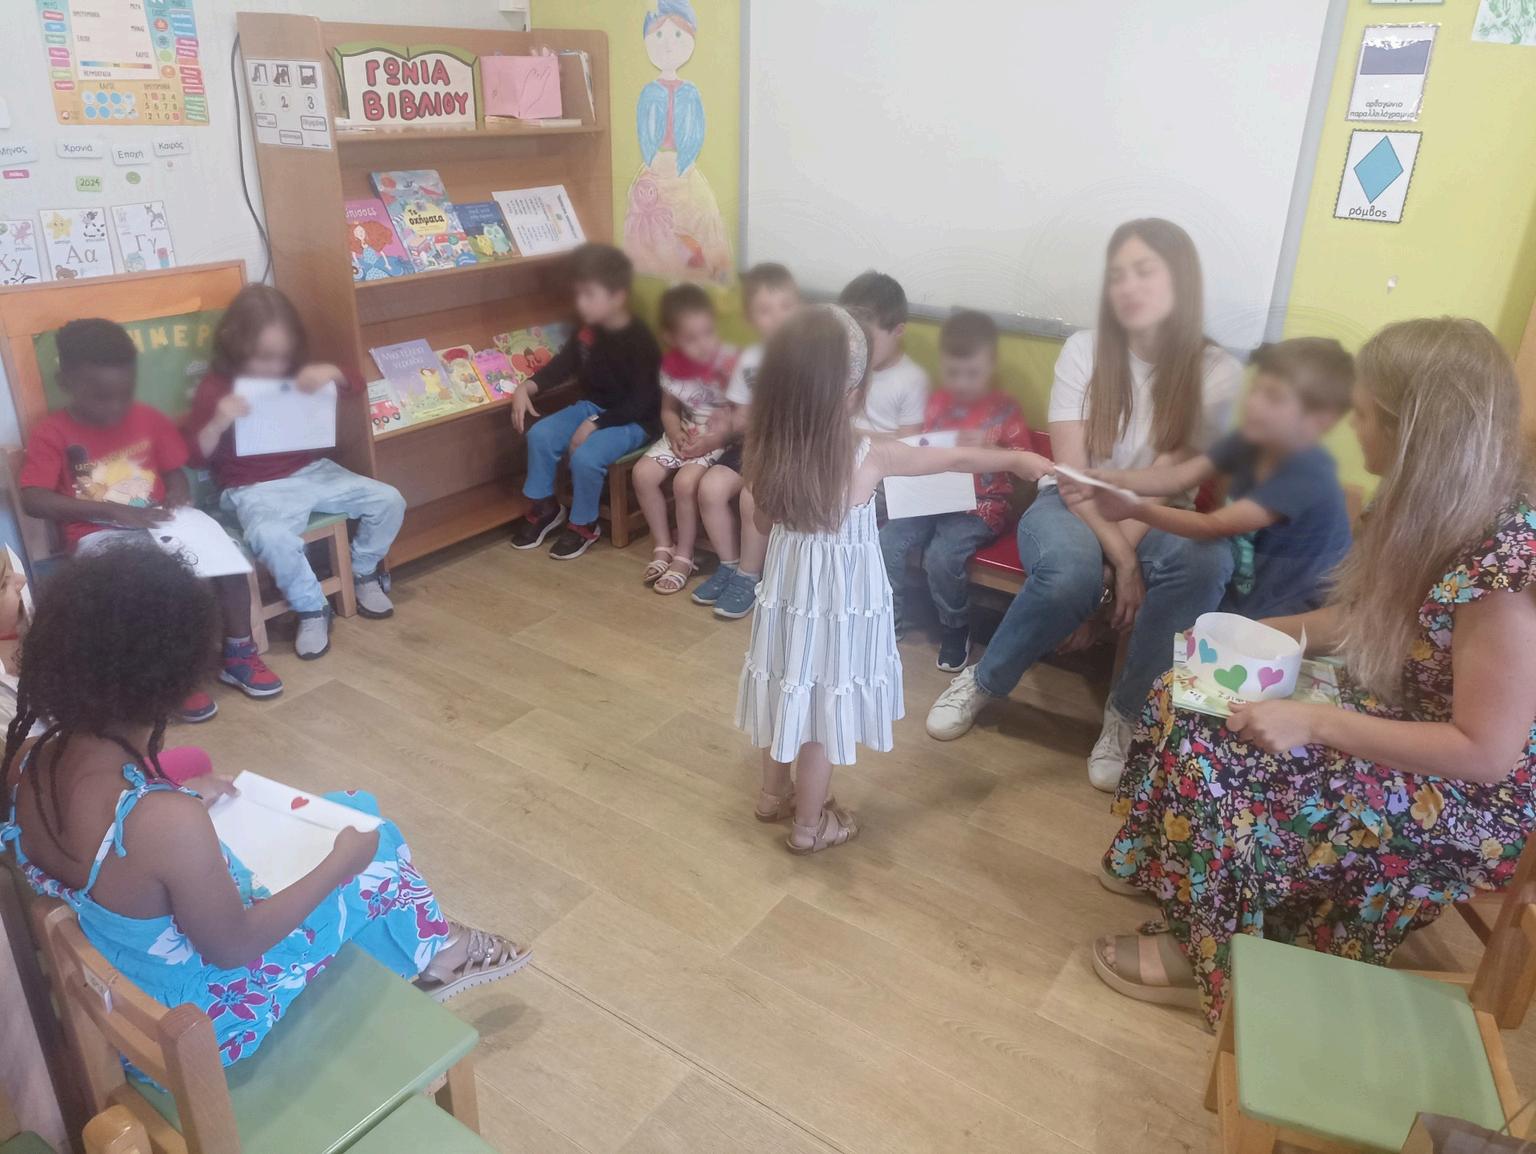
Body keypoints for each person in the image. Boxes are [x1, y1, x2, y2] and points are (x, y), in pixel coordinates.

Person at [1095, 317, 1536, 1030]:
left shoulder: (1504, 565)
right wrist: (1260, 635)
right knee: (1187, 691)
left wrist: (1315, 721)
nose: (1353, 430)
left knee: (1226, 766)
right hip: (1399, 713)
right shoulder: (1418, 500)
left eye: (1363, 415)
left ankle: (1211, 956)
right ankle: (1176, 878)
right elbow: (1360, 617)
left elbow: (1485, 752)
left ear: (1411, 431)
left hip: (1467, 794)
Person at [0, 546, 529, 1068]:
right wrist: (340, 866)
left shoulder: (27, 760)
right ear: (175, 678)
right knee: (375, 845)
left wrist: (181, 796)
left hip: (126, 1000)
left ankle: (426, 947)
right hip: (203, 1028)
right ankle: (443, 953)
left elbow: (117, 851)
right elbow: (234, 946)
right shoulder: (162, 822)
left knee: (348, 808)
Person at [925, 219, 1243, 793]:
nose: (1128, 286)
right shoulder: (1084, 351)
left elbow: (1163, 484)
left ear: (1181, 281)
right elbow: (1071, 479)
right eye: (1117, 274)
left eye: (1144, 271)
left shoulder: (1217, 370)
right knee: (1071, 570)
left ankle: (1127, 714)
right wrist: (1119, 563)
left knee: (1207, 560)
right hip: (1069, 505)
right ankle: (985, 679)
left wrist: (1123, 557)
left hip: (1155, 514)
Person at [737, 305, 1051, 853]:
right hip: (837, 605)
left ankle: (771, 797)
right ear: (853, 391)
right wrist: (1016, 459)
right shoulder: (869, 454)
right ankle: (810, 828)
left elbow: (762, 523)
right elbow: (949, 458)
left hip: (788, 599)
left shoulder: (768, 448)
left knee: (786, 688)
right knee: (821, 712)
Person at [18, 318, 282, 724]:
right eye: (101, 397)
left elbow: (174, 470)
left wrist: (177, 490)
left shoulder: (148, 419)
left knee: (229, 564)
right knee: (153, 585)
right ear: (65, 382)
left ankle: (238, 654)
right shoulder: (52, 432)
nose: (114, 408)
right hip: (98, 532)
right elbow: (33, 498)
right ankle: (172, 677)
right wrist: (109, 511)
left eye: (123, 395)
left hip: (161, 522)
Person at [184, 285, 407, 662]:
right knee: (270, 537)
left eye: (283, 356)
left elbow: (355, 383)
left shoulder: (295, 372)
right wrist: (218, 421)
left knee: (389, 500)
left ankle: (363, 571)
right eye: (264, 357)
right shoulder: (216, 387)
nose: (275, 367)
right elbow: (194, 456)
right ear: (235, 344)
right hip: (253, 486)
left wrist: (332, 373)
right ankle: (311, 607)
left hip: (312, 472)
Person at [1061, 337, 1355, 619]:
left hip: (1293, 605)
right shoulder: (1248, 441)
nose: (1254, 404)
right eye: (1255, 390)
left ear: (1320, 420)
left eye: (1274, 397)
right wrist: (1111, 478)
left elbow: (1213, 526)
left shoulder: (1303, 474)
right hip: (1251, 587)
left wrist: (1136, 509)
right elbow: (1176, 478)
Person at [879, 310, 1033, 671]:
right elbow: (919, 449)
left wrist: (987, 448)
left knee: (942, 556)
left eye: (972, 374)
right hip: (932, 494)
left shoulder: (1004, 411)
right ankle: (888, 621)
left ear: (991, 366)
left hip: (981, 506)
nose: (961, 383)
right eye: (952, 373)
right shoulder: (937, 403)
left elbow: (1025, 468)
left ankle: (955, 627)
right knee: (888, 540)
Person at [510, 244, 663, 560]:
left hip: (634, 420)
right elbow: (563, 364)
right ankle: (546, 507)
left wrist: (595, 425)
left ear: (618, 297)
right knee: (540, 435)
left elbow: (643, 401)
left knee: (586, 457)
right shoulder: (588, 331)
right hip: (593, 408)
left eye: (589, 295)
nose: (580, 303)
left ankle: (584, 523)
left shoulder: (641, 340)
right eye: (578, 294)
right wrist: (528, 386)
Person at [693, 262, 801, 619]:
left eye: (786, 306)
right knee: (710, 488)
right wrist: (723, 426)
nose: (778, 317)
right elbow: (741, 418)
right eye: (766, 311)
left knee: (752, 494)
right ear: (752, 319)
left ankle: (749, 576)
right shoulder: (751, 360)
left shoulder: (809, 358)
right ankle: (729, 564)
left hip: (791, 453)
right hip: (754, 446)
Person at [632, 283, 738, 595]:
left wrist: (712, 438)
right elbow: (669, 410)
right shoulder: (672, 366)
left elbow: (740, 417)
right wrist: (675, 432)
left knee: (684, 483)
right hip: (686, 431)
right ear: (671, 338)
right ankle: (663, 545)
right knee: (642, 474)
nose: (704, 344)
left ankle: (684, 556)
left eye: (708, 333)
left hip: (718, 439)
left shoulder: (728, 364)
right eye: (692, 338)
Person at [837, 272, 929, 439]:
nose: (857, 348)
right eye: (850, 338)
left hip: (882, 454)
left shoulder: (912, 379)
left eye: (867, 340)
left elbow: (908, 442)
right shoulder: (845, 365)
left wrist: (854, 435)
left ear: (898, 331)